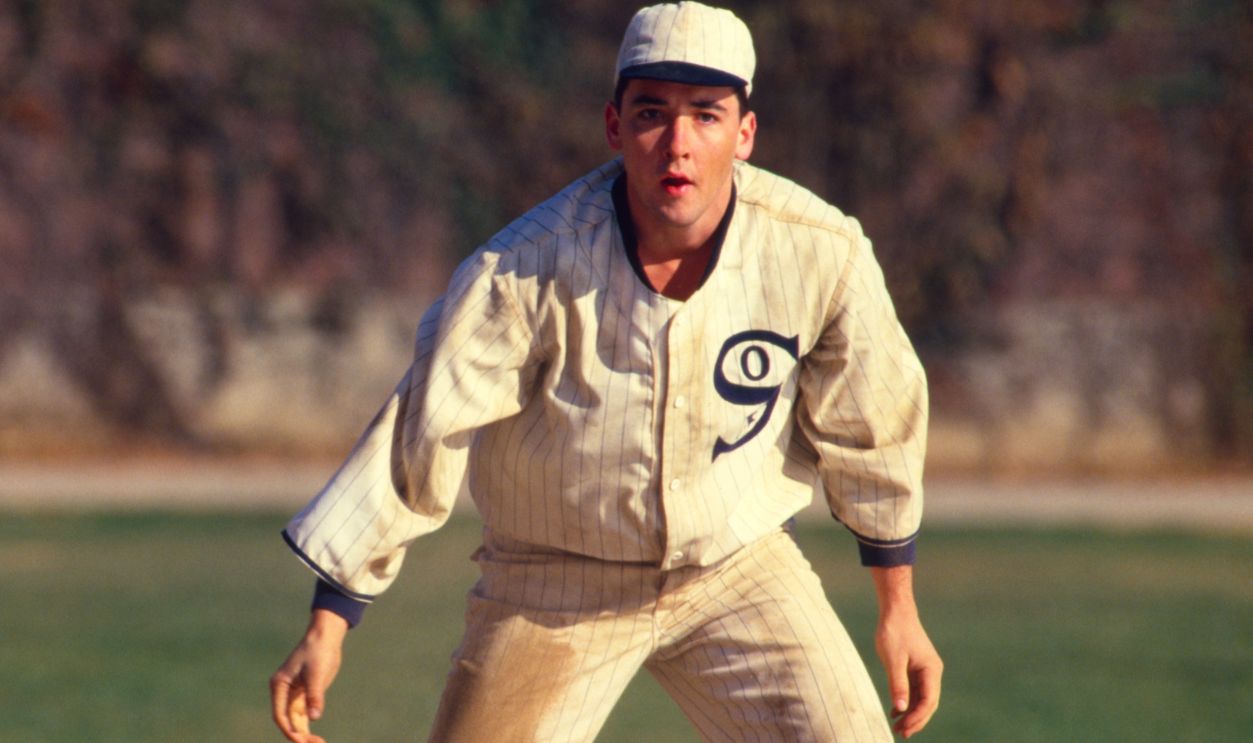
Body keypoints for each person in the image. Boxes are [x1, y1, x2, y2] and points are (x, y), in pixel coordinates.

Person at [270, 2, 943, 741]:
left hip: (735, 571)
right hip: (554, 585)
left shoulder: (819, 250)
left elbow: (872, 425)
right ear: (615, 127)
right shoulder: (523, 268)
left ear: (745, 134)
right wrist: (328, 622)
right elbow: (418, 436)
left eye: (706, 114)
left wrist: (898, 609)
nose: (677, 143)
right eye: (652, 112)